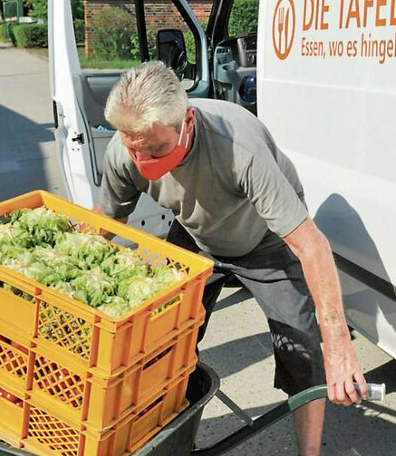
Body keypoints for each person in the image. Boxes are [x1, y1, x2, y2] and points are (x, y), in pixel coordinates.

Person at [94, 61, 367, 456]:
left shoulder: (238, 148)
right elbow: (106, 220)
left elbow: (311, 245)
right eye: (134, 146)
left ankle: (309, 454)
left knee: (303, 354)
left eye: (155, 148)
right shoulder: (125, 149)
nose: (142, 159)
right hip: (195, 235)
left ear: (187, 121)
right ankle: (168, 438)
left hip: (266, 243)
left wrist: (339, 346)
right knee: (162, 339)